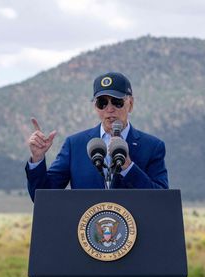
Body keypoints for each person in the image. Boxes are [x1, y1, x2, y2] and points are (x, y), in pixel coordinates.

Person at [25, 72, 168, 201]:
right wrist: (37, 159)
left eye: (117, 102)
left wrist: (129, 168)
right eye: (102, 103)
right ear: (95, 107)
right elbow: (43, 196)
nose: (109, 109)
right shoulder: (75, 145)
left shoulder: (152, 147)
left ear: (130, 104)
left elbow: (162, 199)